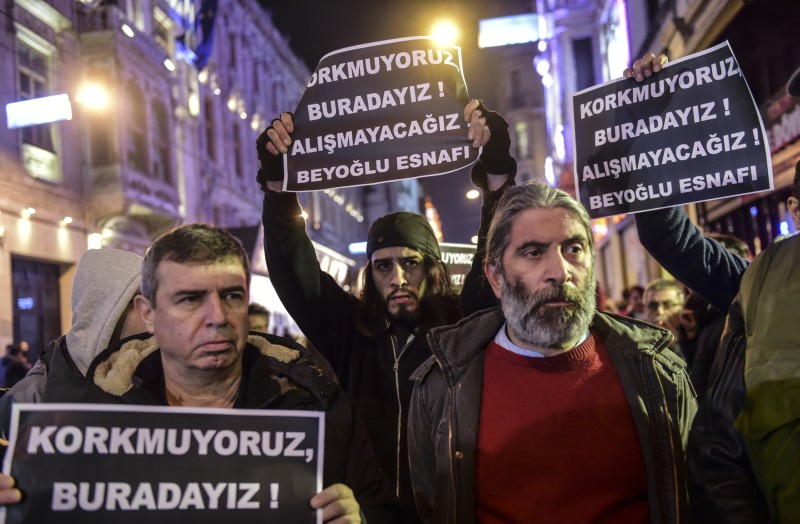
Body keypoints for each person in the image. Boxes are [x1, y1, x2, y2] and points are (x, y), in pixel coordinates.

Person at [0, 226, 403, 522]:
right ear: (148, 314)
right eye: (190, 299)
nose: (217, 317)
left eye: (231, 295)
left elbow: (381, 507)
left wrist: (361, 519)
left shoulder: (319, 406)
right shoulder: (89, 417)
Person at [256, 99, 516, 520]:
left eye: (410, 263)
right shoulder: (350, 331)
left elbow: (495, 251)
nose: (397, 278)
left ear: (431, 268)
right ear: (371, 273)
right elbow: (294, 270)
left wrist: (497, 178)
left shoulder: (463, 325)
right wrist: (278, 187)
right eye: (383, 266)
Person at [408, 181, 696, 523]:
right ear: (496, 277)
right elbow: (432, 507)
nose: (560, 273)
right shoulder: (441, 387)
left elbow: (695, 495)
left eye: (573, 249)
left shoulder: (658, 372)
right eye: (533, 252)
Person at [643, 278, 685, 357]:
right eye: (653, 306)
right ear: (645, 310)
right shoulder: (638, 342)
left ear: (681, 308)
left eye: (668, 304)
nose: (660, 311)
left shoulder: (694, 339)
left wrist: (675, 345)